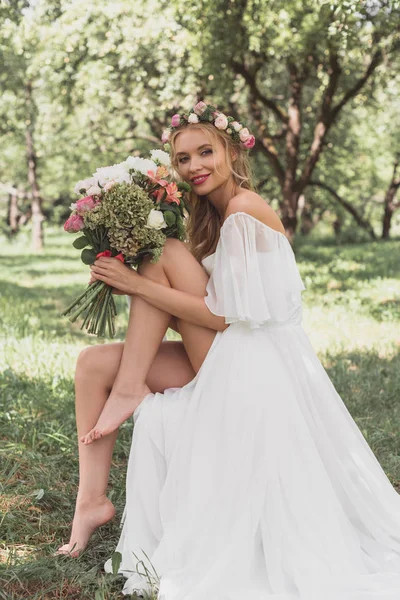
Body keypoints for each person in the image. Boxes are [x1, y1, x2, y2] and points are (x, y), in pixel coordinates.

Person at [58, 103, 400, 599]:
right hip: (230, 352)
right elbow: (191, 307)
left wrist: (139, 283)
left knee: (163, 253)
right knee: (91, 365)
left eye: (205, 152)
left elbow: (224, 316)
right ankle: (90, 501)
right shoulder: (211, 217)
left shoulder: (243, 208)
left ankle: (130, 386)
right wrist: (131, 282)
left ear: (230, 152)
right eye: (182, 158)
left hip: (254, 360)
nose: (194, 165)